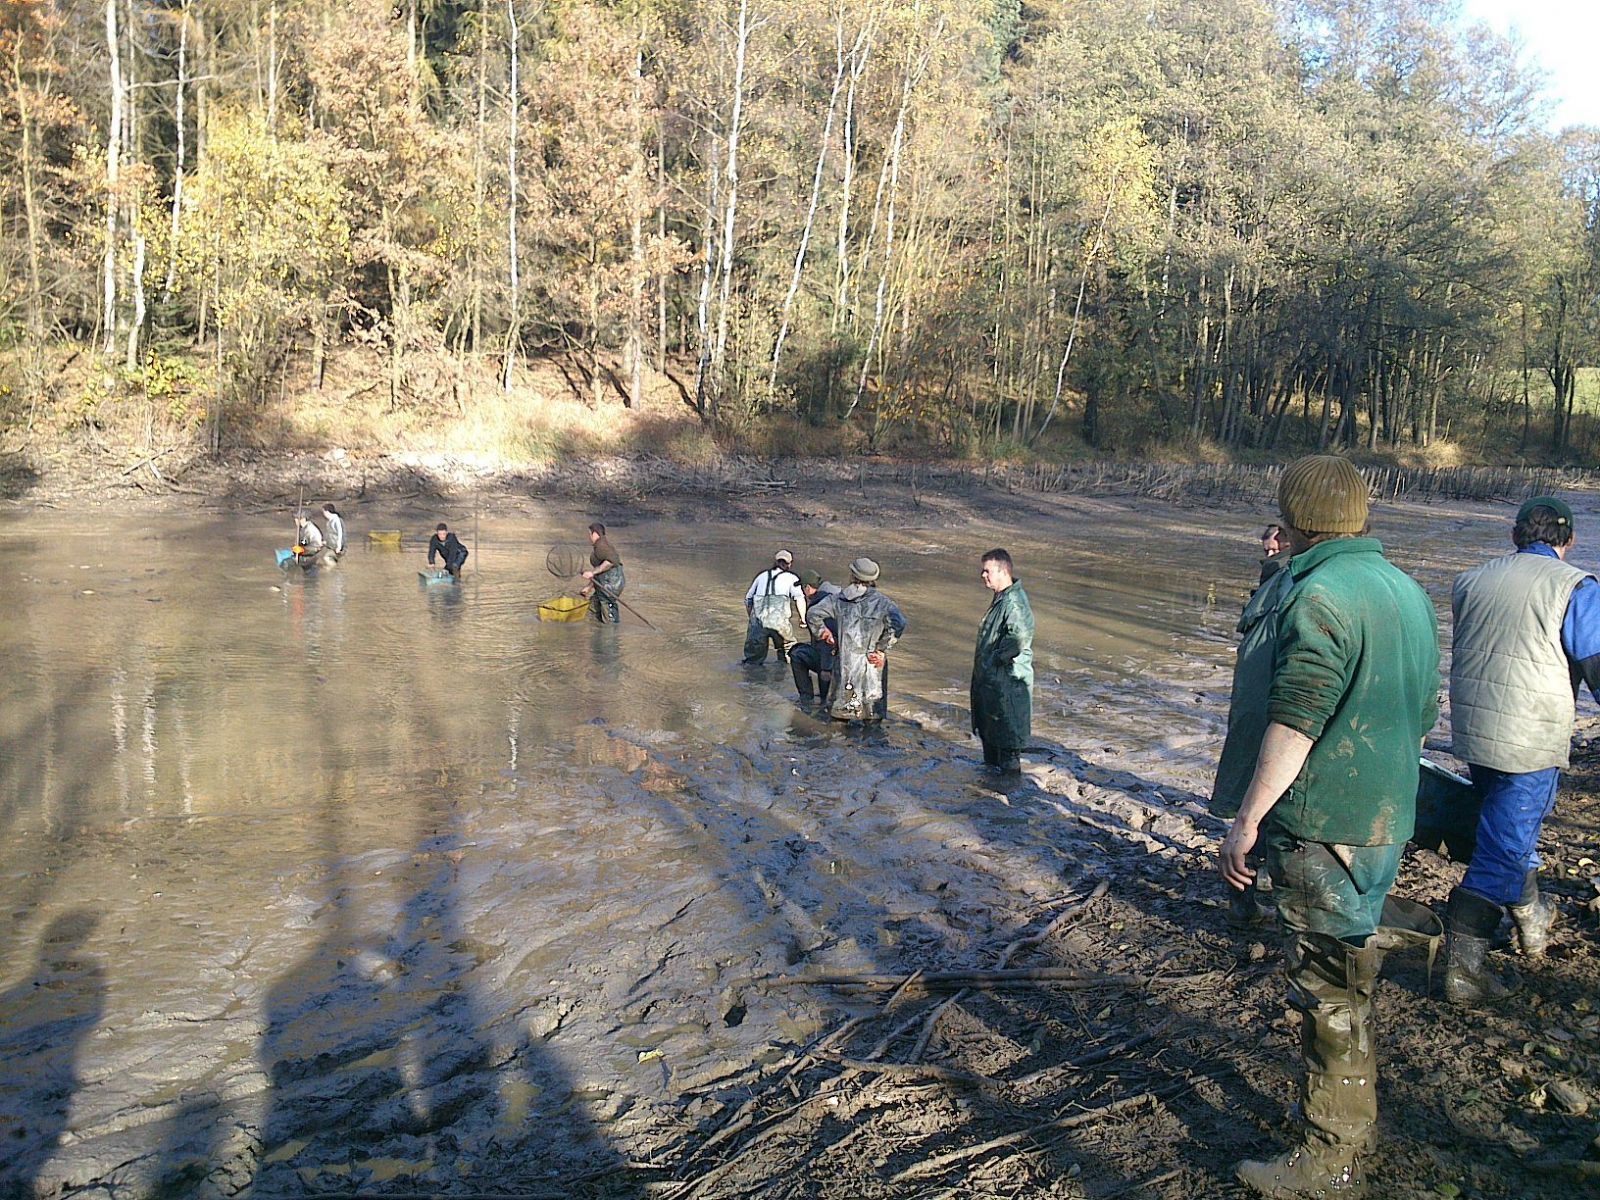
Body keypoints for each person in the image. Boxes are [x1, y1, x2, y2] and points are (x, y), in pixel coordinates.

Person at [1218, 455, 1439, 1198]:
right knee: (1349, 970)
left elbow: (1296, 719)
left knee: (1329, 992)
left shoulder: (1317, 593)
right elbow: (1425, 711)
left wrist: (1246, 821)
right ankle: (1344, 1119)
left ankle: (1329, 1158)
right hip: (1384, 816)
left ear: (1297, 520)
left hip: (1321, 823)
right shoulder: (1405, 589)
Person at [1442, 495, 1600, 1004]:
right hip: (1529, 734)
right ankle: (1464, 972)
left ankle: (1532, 919)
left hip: (1474, 728)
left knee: (1507, 828)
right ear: (1569, 539)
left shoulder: (1471, 580)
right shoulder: (1575, 586)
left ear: (1514, 536)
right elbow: (1596, 663)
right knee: (1505, 845)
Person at [805, 558, 906, 723]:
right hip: (872, 661)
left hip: (846, 661)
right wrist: (882, 648)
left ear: (852, 576)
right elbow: (899, 623)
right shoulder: (883, 603)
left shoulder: (838, 599)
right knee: (872, 714)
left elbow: (812, 614)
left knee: (841, 715)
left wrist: (824, 633)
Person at [970, 549, 1034, 773]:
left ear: (1003, 571)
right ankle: (991, 785)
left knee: (1007, 746)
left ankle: (1009, 789)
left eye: (987, 571)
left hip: (1007, 687)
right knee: (992, 742)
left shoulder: (1013, 603)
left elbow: (1019, 639)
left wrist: (993, 660)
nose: (983, 575)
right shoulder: (1002, 598)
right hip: (994, 685)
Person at [743, 549, 807, 664]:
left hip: (758, 623)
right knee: (788, 654)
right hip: (780, 624)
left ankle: (751, 675)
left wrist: (752, 620)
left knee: (752, 661)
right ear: (789, 564)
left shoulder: (761, 576)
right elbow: (799, 598)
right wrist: (803, 619)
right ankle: (783, 673)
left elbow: (748, 599)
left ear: (776, 562)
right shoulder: (792, 578)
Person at [790, 570, 841, 703]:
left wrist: (825, 668)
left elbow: (828, 640)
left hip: (833, 658)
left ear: (807, 588)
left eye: (802, 588)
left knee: (796, 654)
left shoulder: (820, 606)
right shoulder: (832, 597)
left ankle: (808, 699)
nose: (802, 592)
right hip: (843, 656)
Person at [582, 522, 625, 624]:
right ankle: (596, 630)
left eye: (590, 534)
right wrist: (588, 587)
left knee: (609, 616)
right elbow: (599, 573)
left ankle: (611, 631)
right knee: (593, 608)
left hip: (610, 585)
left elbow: (611, 561)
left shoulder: (602, 546)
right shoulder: (599, 546)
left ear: (595, 534)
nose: (589, 538)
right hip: (603, 585)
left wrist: (592, 572)